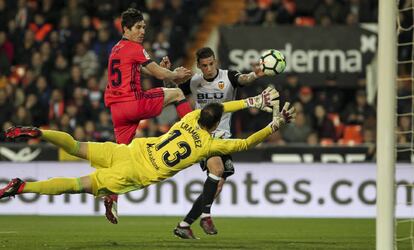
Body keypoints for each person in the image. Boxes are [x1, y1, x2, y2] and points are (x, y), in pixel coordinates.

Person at [0, 90, 296, 219]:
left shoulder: (189, 118)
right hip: (134, 173)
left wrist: (248, 101)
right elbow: (245, 143)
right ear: (216, 124)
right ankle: (24, 186)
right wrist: (274, 124)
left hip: (127, 151)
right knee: (77, 185)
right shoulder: (209, 146)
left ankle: (40, 132)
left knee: (76, 145)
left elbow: (220, 109)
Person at [103, 8, 193, 224]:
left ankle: (111, 198)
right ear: (126, 29)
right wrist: (175, 74)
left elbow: (135, 69)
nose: (143, 31)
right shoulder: (135, 47)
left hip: (117, 111)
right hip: (133, 103)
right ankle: (196, 130)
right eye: (138, 27)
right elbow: (159, 74)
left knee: (120, 156)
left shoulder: (116, 49)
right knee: (177, 93)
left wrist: (157, 69)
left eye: (144, 27)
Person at [172, 47, 268, 238]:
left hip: (224, 137)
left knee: (217, 186)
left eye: (211, 64)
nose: (208, 69)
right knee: (217, 171)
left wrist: (255, 76)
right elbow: (172, 92)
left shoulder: (228, 77)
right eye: (204, 66)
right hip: (203, 136)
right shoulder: (193, 82)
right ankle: (206, 216)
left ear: (215, 61)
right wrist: (168, 76)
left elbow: (244, 79)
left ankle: (184, 225)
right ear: (198, 66)